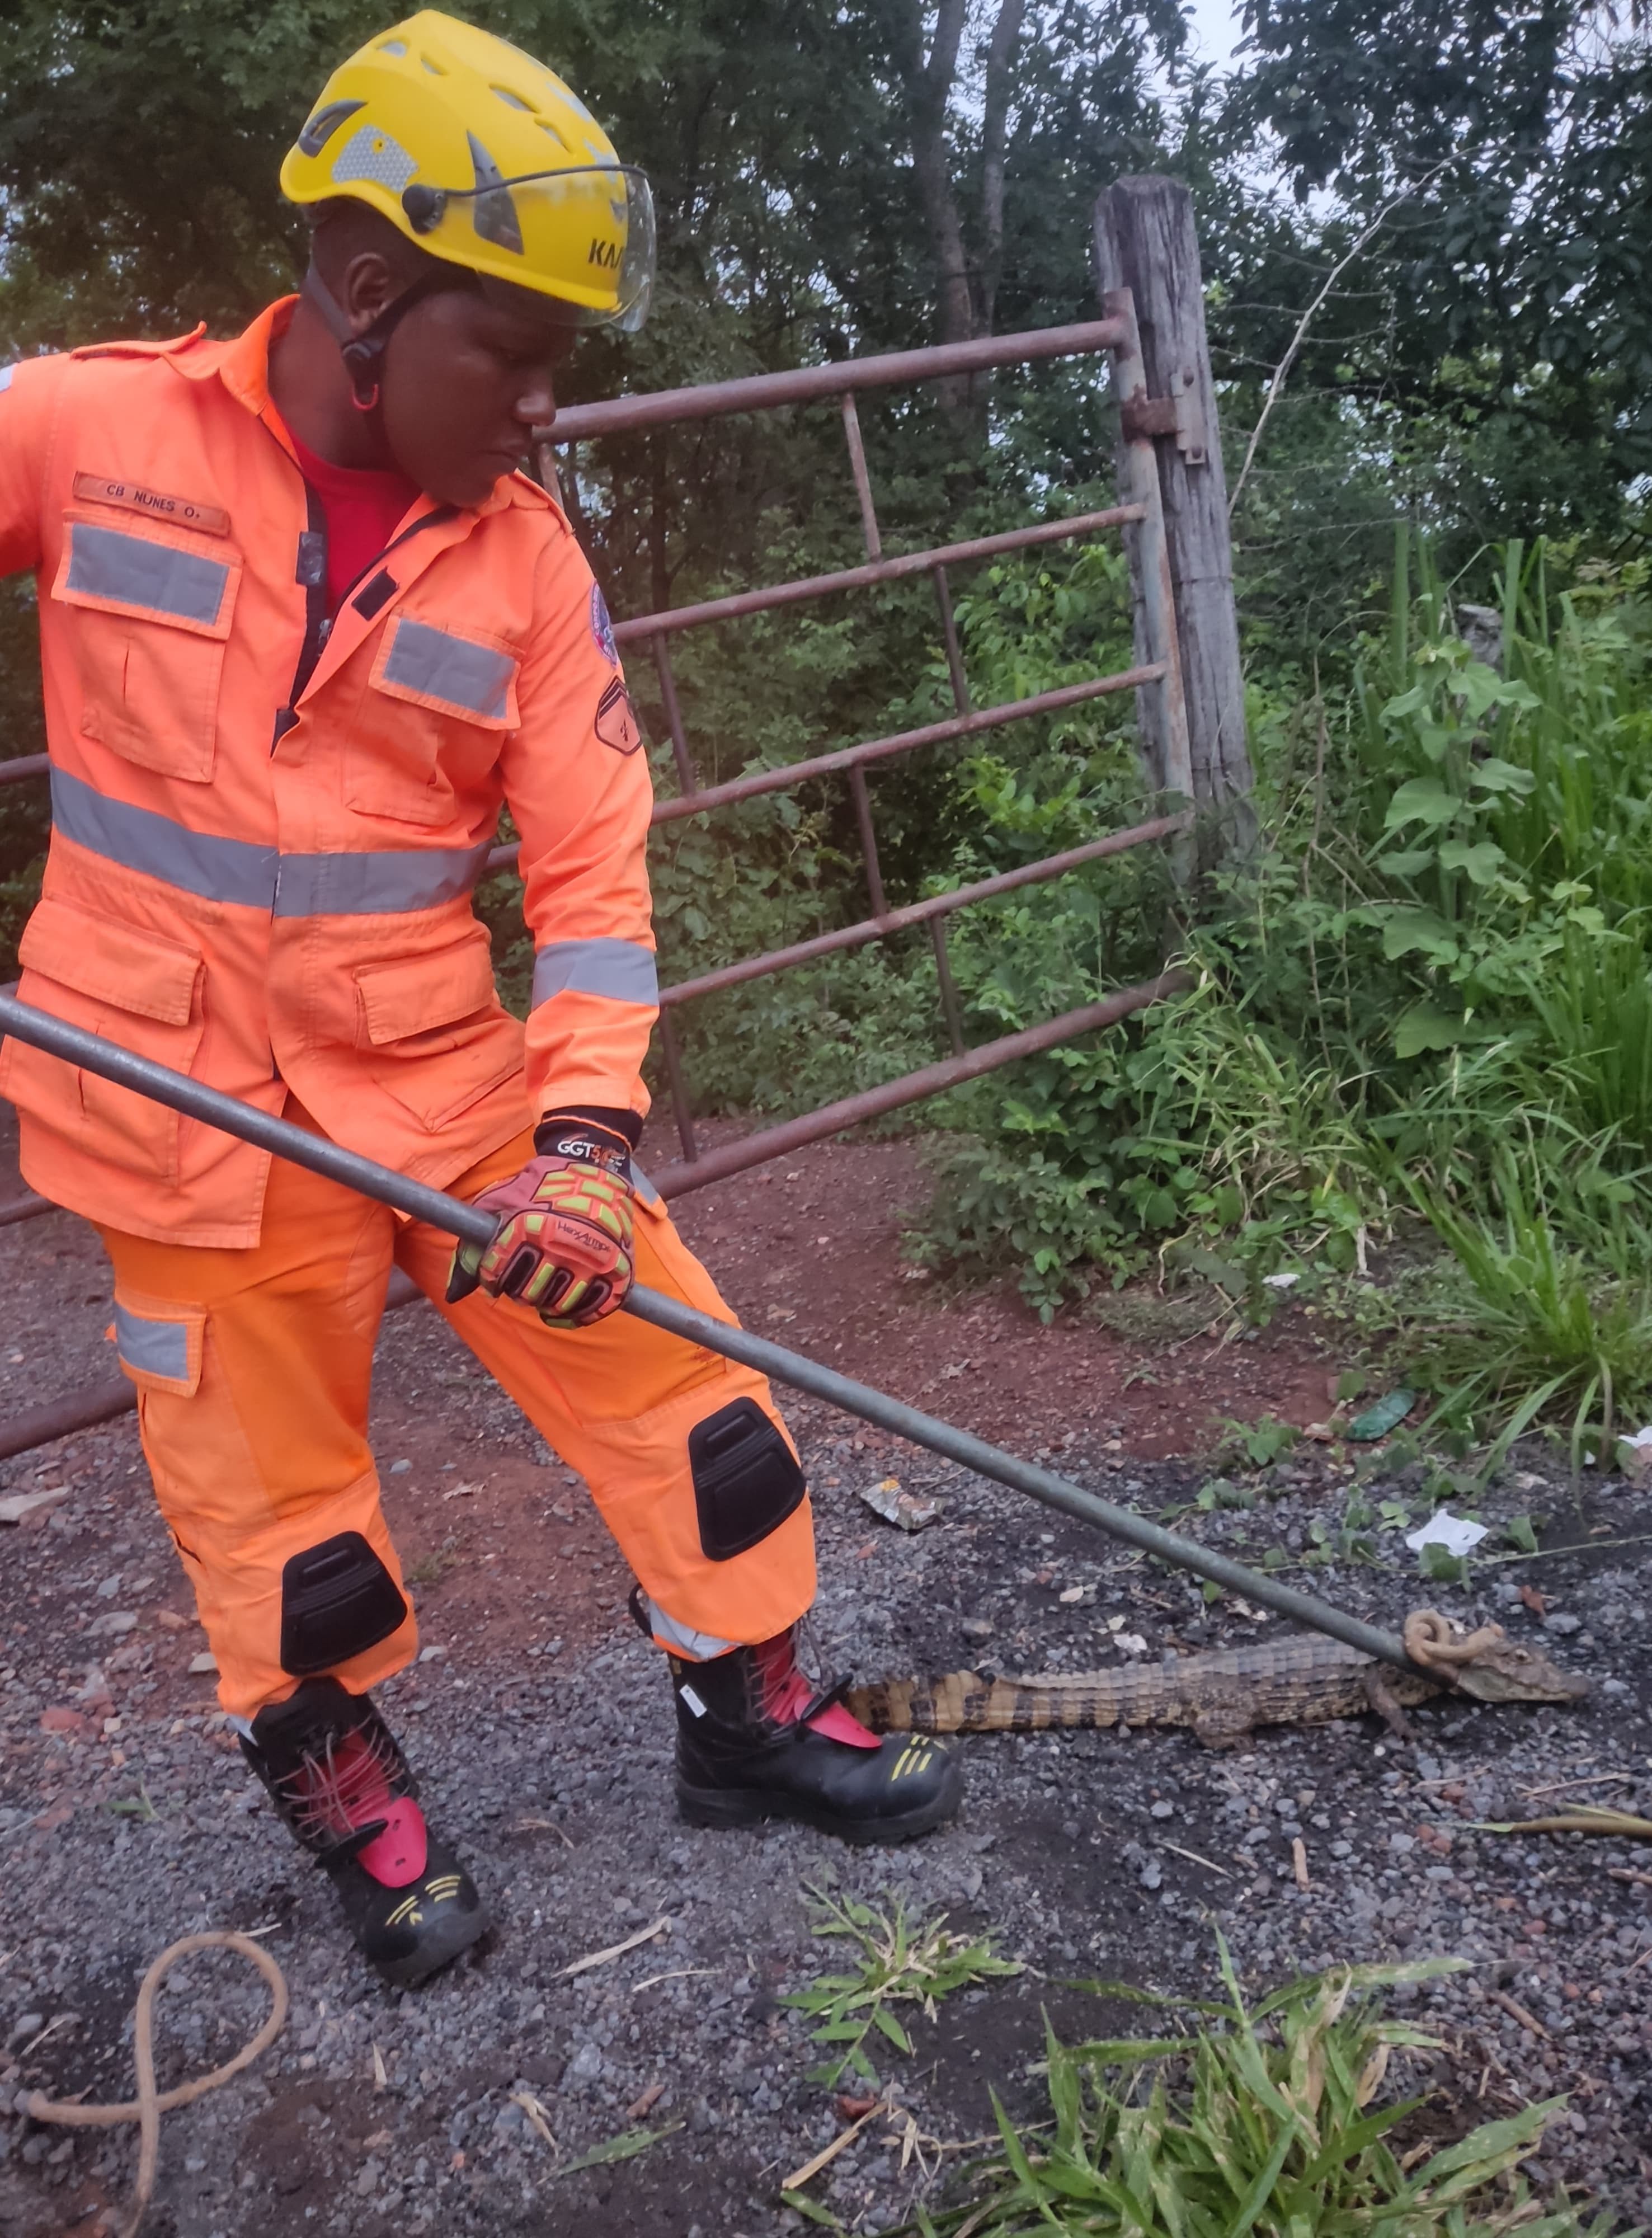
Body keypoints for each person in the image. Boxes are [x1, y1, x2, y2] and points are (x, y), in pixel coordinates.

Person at [0, 10, 959, 1989]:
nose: (542, 409)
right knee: (280, 1520)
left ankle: (749, 1713)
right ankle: (356, 1795)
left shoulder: (525, 572)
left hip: (445, 1082)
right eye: (509, 357)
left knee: (691, 1392)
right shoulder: (83, 435)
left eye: (558, 371)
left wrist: (589, 1147)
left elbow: (597, 878)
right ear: (366, 293)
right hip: (179, 1115)